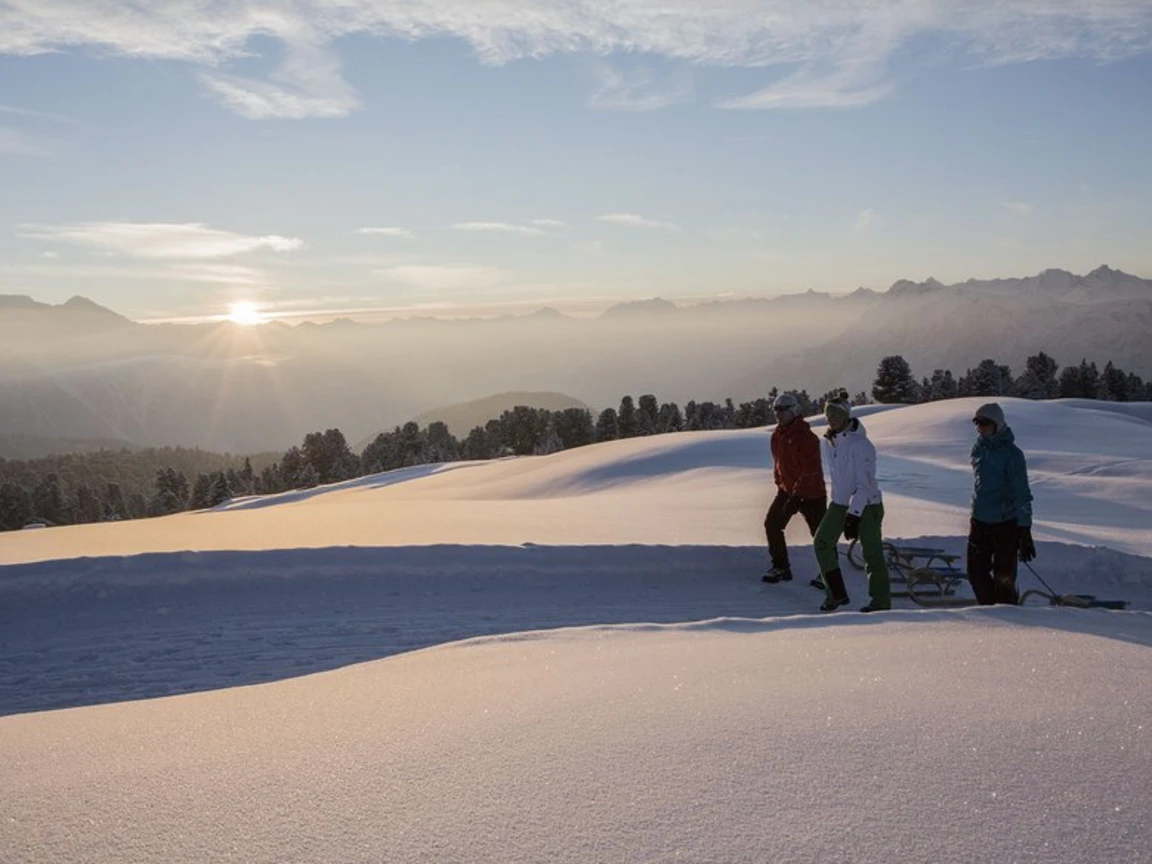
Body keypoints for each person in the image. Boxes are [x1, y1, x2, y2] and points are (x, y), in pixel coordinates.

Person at [812, 394, 890, 613]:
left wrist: (854, 515)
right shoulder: (830, 442)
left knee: (871, 554)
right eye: (828, 414)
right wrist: (841, 506)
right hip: (840, 504)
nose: (831, 419)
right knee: (822, 543)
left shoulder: (861, 444)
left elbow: (865, 485)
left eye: (836, 414)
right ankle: (835, 594)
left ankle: (880, 603)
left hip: (867, 505)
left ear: (846, 415)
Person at [968, 403, 1035, 605]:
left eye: (985, 423)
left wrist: (1024, 528)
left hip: (1006, 523)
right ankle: (990, 612)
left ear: (997, 424)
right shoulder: (978, 447)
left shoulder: (1012, 454)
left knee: (1003, 579)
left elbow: (1022, 492)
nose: (980, 428)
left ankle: (1008, 615)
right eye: (977, 423)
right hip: (980, 519)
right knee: (975, 573)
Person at [761, 393, 827, 583]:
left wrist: (797, 496)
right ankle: (781, 567)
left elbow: (810, 470)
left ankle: (828, 572)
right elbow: (779, 463)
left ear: (794, 411)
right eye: (776, 410)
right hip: (787, 491)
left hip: (812, 494)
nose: (779, 414)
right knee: (772, 525)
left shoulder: (807, 438)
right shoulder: (776, 436)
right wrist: (781, 484)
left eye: (783, 410)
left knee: (821, 535)